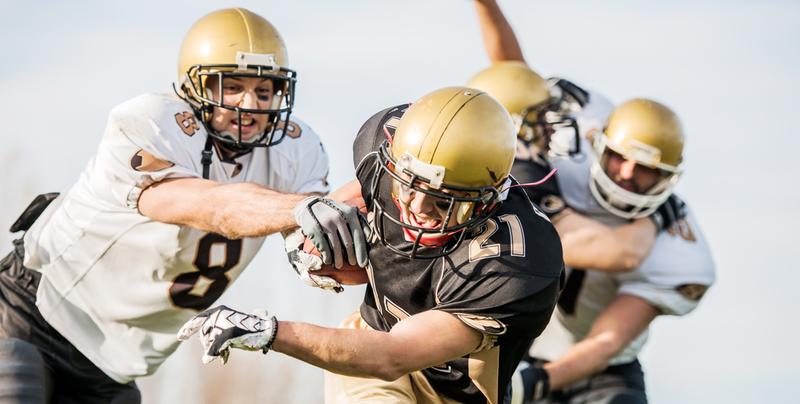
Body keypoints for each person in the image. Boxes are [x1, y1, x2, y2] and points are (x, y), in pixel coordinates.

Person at [0, 8, 367, 403]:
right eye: (233, 87)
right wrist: (304, 209)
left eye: (264, 91)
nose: (251, 104)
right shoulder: (152, 122)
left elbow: (313, 238)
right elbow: (211, 208)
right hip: (34, 312)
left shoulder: (297, 150)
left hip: (115, 365)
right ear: (197, 86)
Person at [177, 86, 565, 404]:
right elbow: (368, 186)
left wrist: (269, 331)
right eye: (407, 186)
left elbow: (391, 356)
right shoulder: (387, 140)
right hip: (372, 335)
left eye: (442, 201)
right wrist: (318, 224)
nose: (416, 208)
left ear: (486, 199)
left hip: (448, 389)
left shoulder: (519, 259)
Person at [467, 3, 715, 403]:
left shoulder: (677, 249)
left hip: (601, 374)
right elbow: (514, 78)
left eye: (647, 168)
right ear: (599, 140)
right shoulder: (574, 137)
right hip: (512, 348)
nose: (628, 173)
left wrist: (535, 384)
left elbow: (607, 339)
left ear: (669, 177)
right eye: (621, 156)